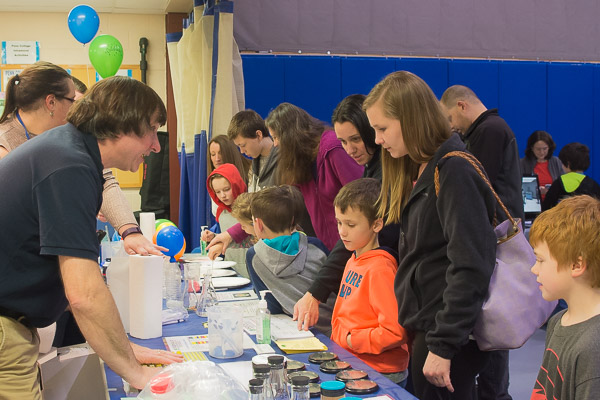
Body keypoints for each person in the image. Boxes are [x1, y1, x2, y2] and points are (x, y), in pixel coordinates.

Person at [0, 76, 183, 399]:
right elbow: (82, 292)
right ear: (123, 124)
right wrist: (136, 374)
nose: (156, 145)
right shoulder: (68, 165)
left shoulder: (70, 153)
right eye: (153, 130)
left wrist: (123, 350)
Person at [364, 71, 497, 399]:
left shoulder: (453, 170)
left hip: (446, 334)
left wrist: (443, 344)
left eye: (382, 129)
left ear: (410, 119)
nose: (378, 140)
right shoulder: (422, 166)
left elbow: (471, 264)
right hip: (427, 325)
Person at [0, 61, 161, 257]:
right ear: (51, 102)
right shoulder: (14, 144)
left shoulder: (67, 144)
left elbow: (104, 179)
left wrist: (129, 230)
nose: (80, 111)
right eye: (73, 101)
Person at [441, 84, 522, 400]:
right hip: (497, 233)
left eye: (450, 117)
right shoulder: (491, 128)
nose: (451, 126)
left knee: (494, 322)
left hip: (498, 237)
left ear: (461, 106)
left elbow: (477, 184)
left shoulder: (488, 129)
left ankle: (495, 393)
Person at [294, 93, 399, 331]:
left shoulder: (387, 170)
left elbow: (391, 332)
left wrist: (316, 293)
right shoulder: (372, 168)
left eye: (355, 139)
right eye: (343, 141)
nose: (349, 149)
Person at [330, 178, 410, 387]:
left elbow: (394, 331)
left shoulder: (380, 269)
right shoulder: (353, 259)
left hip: (380, 371)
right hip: (354, 362)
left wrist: (351, 341)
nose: (342, 231)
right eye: (339, 222)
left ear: (376, 224)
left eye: (351, 224)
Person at [265, 102, 363, 250]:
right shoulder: (300, 160)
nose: (275, 144)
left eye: (276, 137)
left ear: (290, 133)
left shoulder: (332, 148)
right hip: (330, 247)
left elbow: (361, 196)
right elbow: (280, 201)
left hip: (352, 246)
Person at [529, 195, 600, 399]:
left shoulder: (593, 347)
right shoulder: (558, 321)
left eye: (540, 260)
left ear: (576, 265)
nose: (534, 269)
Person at [246, 185, 336, 335]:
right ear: (293, 219)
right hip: (332, 325)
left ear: (258, 224)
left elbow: (271, 306)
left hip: (296, 329)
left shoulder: (254, 256)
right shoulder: (316, 246)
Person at [202, 163, 253, 278]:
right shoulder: (221, 213)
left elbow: (251, 240)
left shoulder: (249, 208)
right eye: (218, 192)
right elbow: (226, 238)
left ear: (235, 184)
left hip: (251, 268)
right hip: (232, 270)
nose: (223, 195)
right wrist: (213, 237)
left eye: (226, 189)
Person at [542, 142, 600, 210]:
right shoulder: (593, 185)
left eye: (562, 163)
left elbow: (545, 208)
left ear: (568, 164)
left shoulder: (558, 183)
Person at [521, 130, 564, 199]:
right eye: (538, 149)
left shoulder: (556, 162)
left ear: (549, 147)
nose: (542, 152)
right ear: (531, 148)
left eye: (545, 149)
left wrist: (551, 191)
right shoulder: (523, 163)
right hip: (531, 204)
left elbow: (563, 186)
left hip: (553, 204)